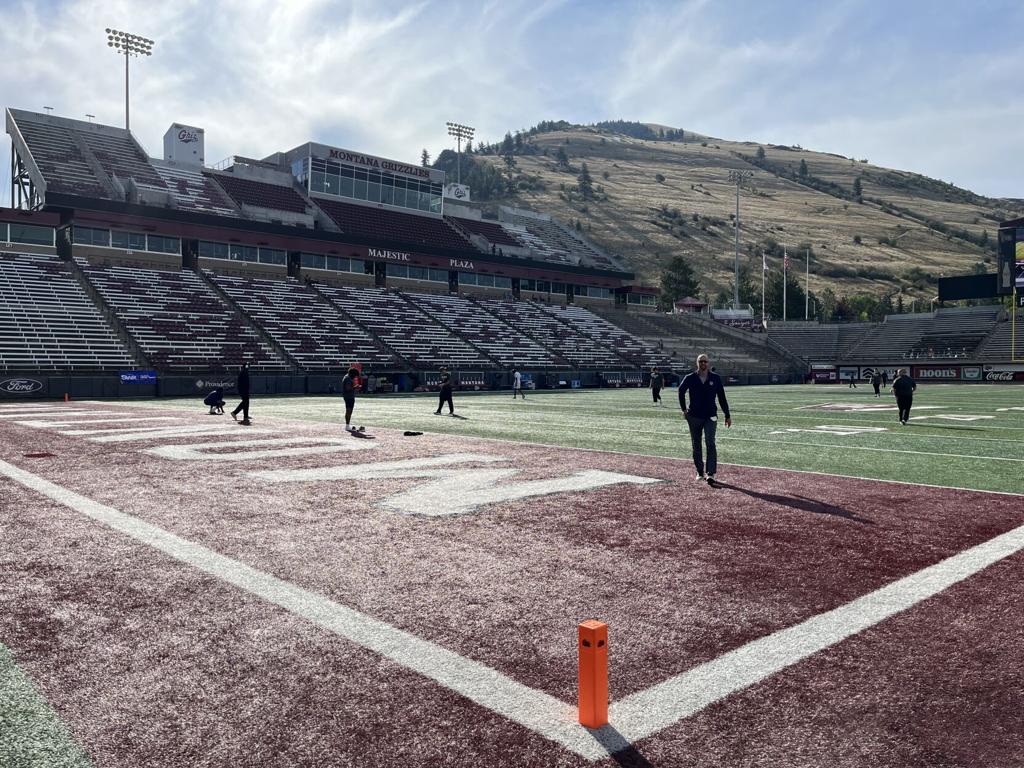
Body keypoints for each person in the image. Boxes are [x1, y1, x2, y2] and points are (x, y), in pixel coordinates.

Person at [679, 353, 732, 486]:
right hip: (694, 416)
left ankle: (711, 473)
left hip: (710, 416)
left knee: (710, 443)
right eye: (701, 361)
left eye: (705, 361)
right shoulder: (690, 378)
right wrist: (684, 409)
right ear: (697, 363)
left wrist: (727, 415)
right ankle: (699, 471)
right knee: (696, 444)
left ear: (709, 363)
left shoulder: (716, 378)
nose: (703, 363)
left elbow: (722, 397)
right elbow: (681, 391)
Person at [341, 367, 359, 431]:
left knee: (349, 411)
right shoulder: (348, 378)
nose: (354, 377)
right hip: (349, 397)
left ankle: (347, 425)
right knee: (349, 411)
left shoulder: (346, 376)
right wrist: (355, 387)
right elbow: (348, 389)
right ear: (352, 374)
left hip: (347, 396)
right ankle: (347, 426)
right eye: (354, 375)